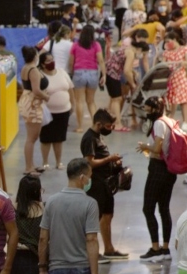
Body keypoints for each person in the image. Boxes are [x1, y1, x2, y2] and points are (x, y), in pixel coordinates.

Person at [80, 108, 127, 260]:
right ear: (99, 124)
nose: (111, 129)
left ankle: (109, 248)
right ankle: (92, 252)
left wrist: (113, 163)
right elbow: (89, 163)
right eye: (108, 126)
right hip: (96, 184)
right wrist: (109, 159)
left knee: (108, 215)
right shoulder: (89, 139)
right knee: (96, 218)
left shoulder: (98, 136)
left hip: (105, 183)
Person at [137, 97, 178, 262]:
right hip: (169, 170)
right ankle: (165, 248)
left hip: (158, 169)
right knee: (164, 208)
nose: (145, 112)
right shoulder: (169, 121)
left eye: (147, 109)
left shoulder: (158, 123)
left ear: (154, 109)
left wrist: (145, 146)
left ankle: (155, 248)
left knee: (148, 208)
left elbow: (157, 147)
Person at [105, 31, 149, 132]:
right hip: (112, 74)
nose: (142, 56)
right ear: (140, 50)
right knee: (117, 99)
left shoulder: (128, 49)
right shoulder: (131, 53)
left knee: (114, 99)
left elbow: (125, 66)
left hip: (111, 73)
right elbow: (126, 71)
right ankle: (117, 124)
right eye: (143, 53)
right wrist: (133, 84)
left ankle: (109, 120)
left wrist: (133, 72)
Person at [38, 52, 75, 170]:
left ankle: (59, 162)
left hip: (64, 111)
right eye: (48, 61)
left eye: (52, 59)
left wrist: (72, 104)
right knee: (46, 138)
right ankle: (45, 162)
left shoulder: (62, 72)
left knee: (59, 138)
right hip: (48, 112)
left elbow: (70, 88)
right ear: (43, 64)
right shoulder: (40, 76)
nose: (51, 62)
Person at [20, 46, 51, 175]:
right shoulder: (33, 70)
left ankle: (31, 164)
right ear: (35, 56)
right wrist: (46, 96)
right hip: (32, 105)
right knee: (32, 138)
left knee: (31, 137)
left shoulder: (25, 68)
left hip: (29, 102)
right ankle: (28, 167)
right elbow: (36, 90)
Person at [70, 24, 105, 133]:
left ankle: (80, 126)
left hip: (79, 73)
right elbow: (101, 61)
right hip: (93, 73)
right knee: (91, 101)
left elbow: (71, 61)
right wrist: (104, 75)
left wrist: (72, 72)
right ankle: (95, 125)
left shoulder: (75, 45)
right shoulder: (96, 45)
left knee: (79, 101)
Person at [161, 32, 187, 121]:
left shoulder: (184, 49)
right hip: (170, 78)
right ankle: (171, 118)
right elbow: (163, 65)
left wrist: (183, 63)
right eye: (166, 42)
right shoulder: (166, 52)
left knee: (183, 100)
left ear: (175, 40)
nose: (167, 44)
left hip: (181, 77)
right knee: (171, 100)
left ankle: (185, 121)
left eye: (168, 41)